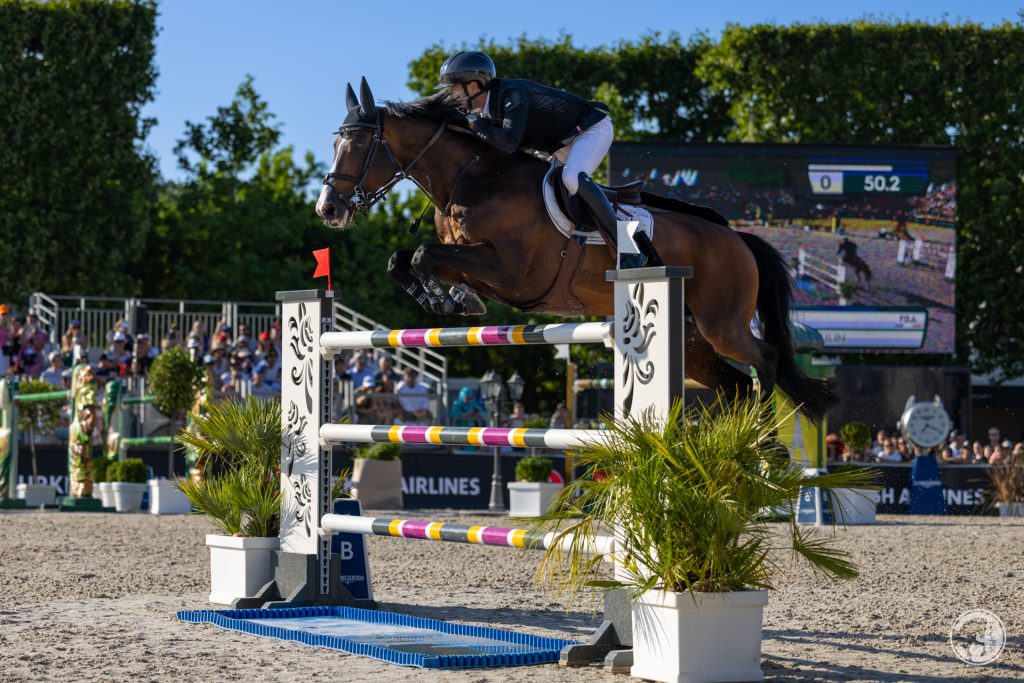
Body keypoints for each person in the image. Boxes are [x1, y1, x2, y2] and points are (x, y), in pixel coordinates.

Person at [438, 50, 644, 268]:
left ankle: (627, 245)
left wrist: (474, 124)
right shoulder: (483, 110)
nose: (451, 96)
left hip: (590, 130)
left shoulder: (512, 96)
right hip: (559, 143)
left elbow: (508, 143)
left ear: (473, 86)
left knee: (572, 177)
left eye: (453, 89)